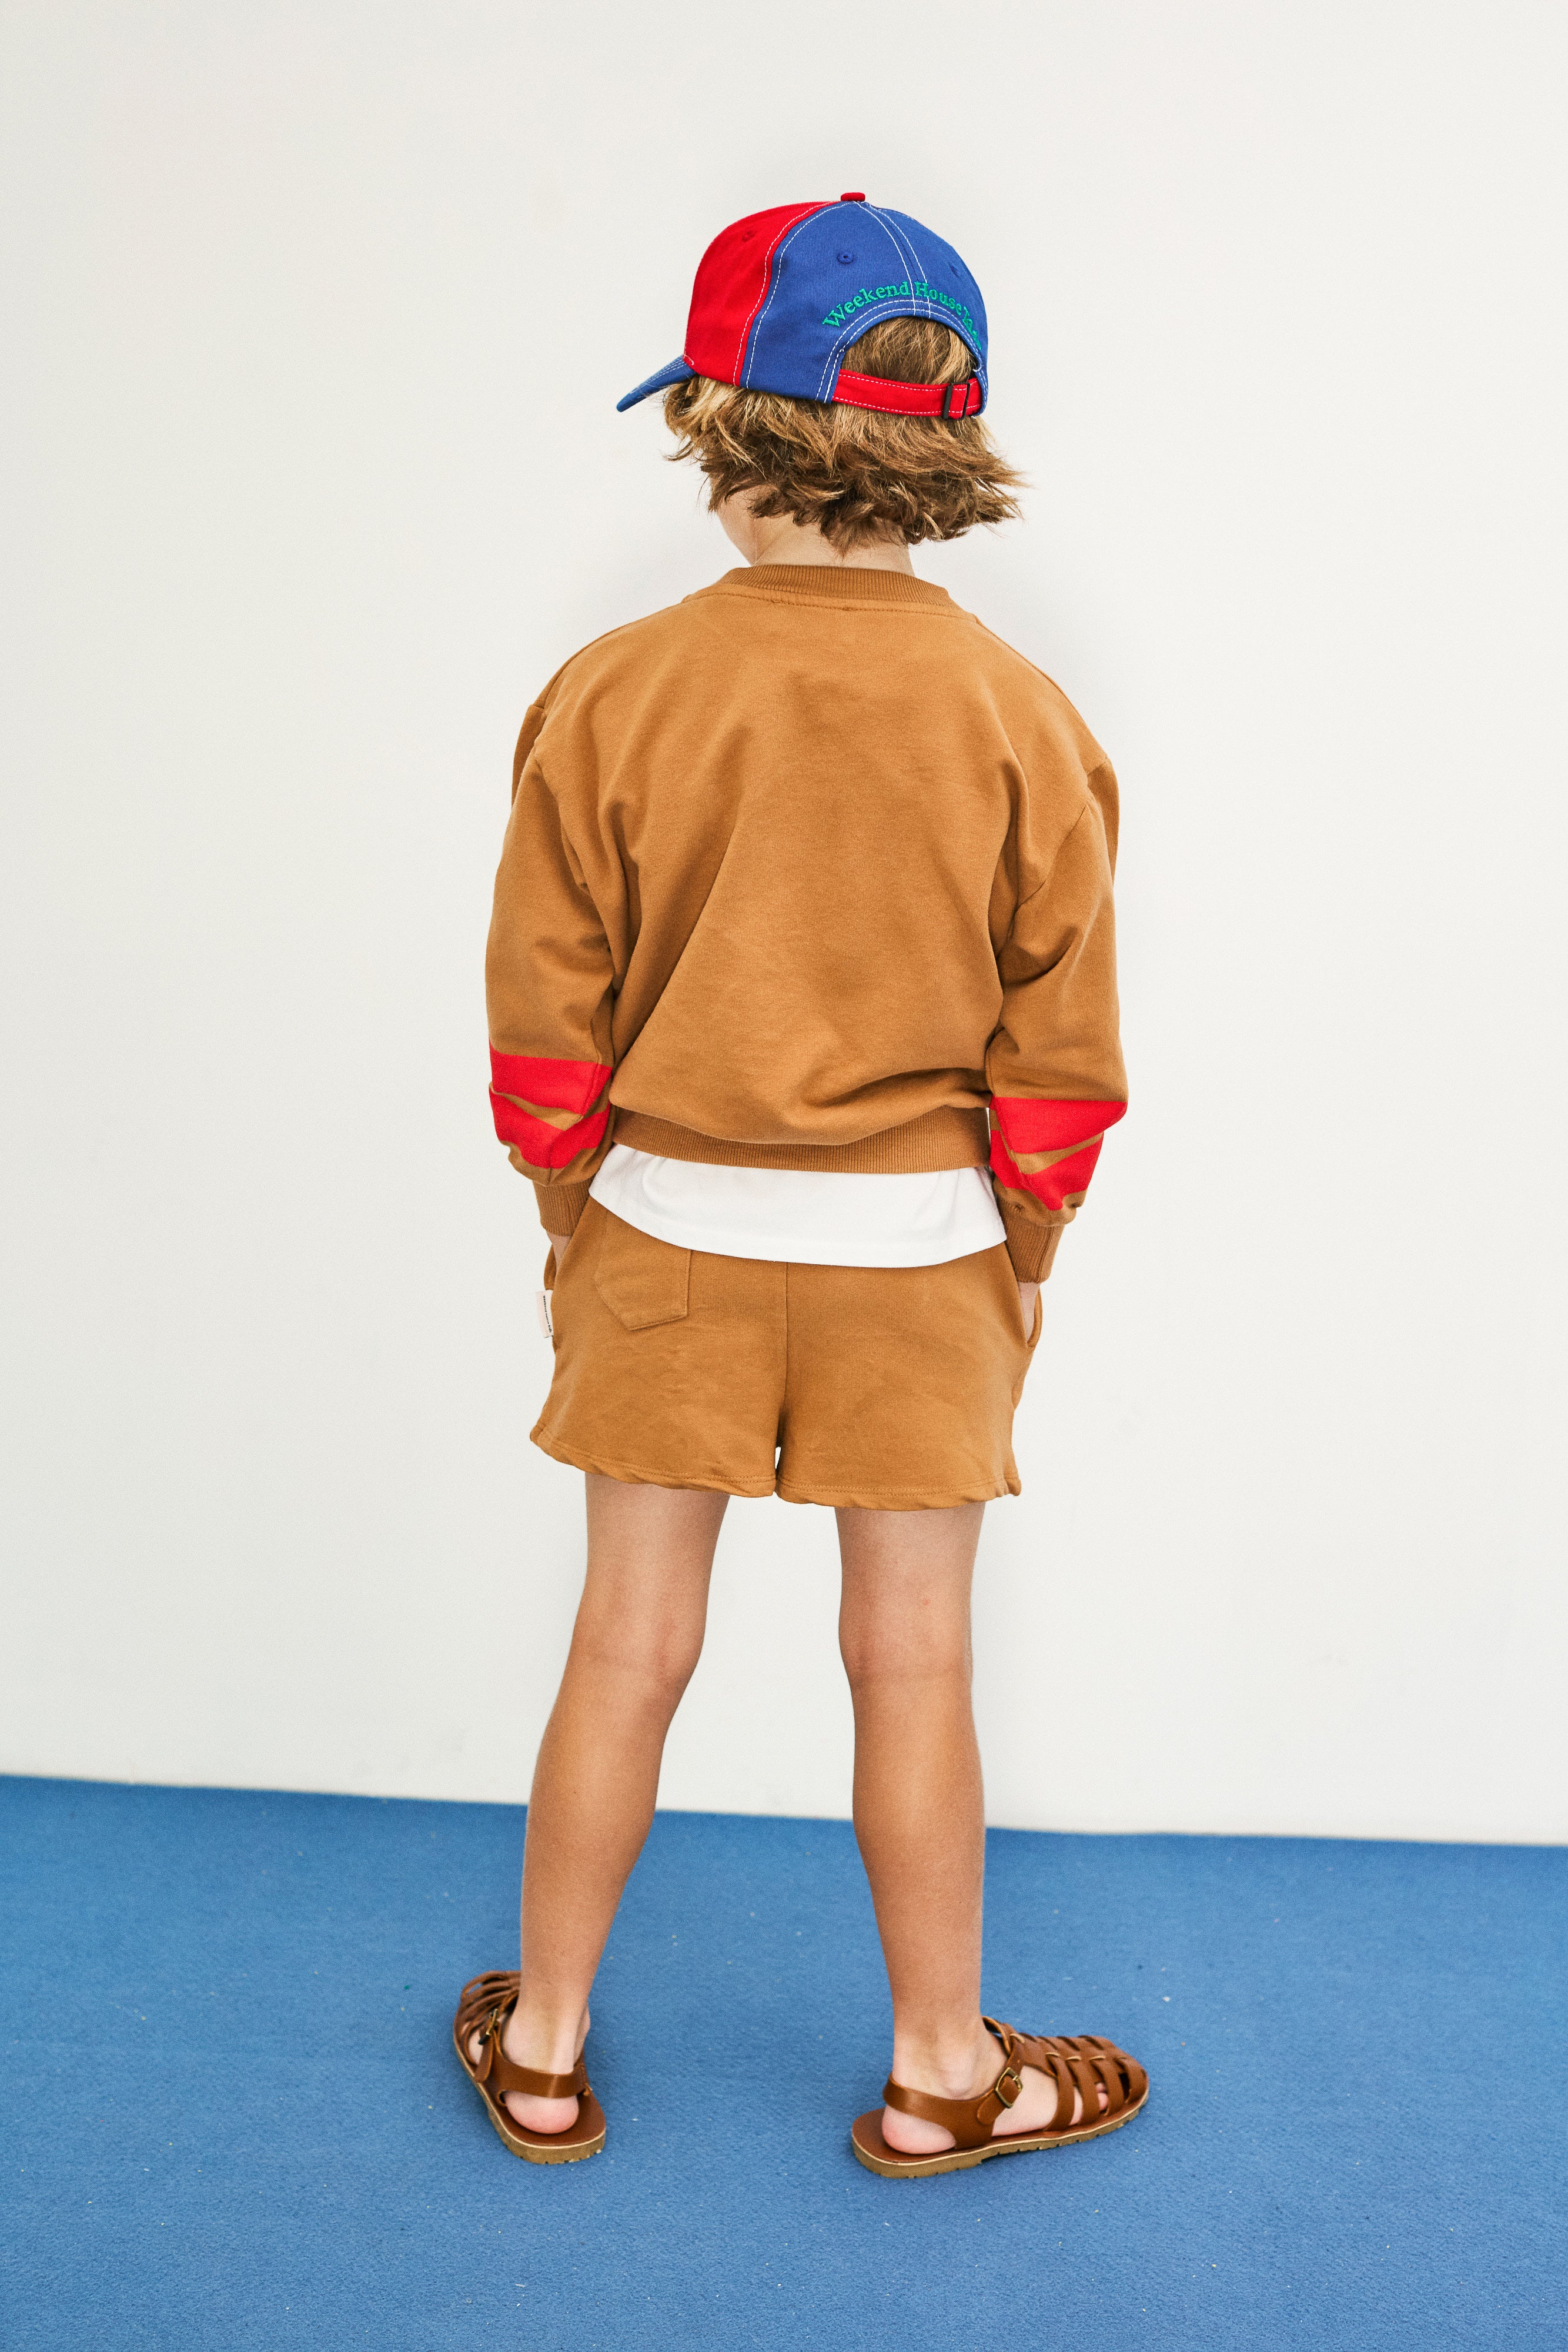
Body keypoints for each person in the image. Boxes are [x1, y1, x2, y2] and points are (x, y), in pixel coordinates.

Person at [453, 195, 1146, 2177]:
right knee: (912, 1657)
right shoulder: (1022, 715)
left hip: (663, 1230)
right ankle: (941, 2070)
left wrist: (570, 1216)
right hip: (923, 1254)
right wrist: (1021, 1248)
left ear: (714, 421)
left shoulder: (617, 689)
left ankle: (547, 2048)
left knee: (625, 1640)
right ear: (949, 437)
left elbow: (543, 1028)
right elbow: (1061, 1058)